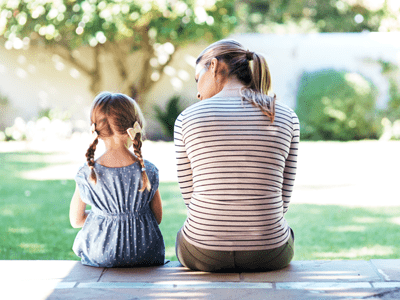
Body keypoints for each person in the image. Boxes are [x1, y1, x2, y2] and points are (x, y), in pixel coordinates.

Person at [174, 39, 300, 272]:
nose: (198, 92)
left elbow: (190, 199)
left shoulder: (187, 118)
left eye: (197, 79)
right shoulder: (285, 116)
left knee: (184, 235)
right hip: (269, 253)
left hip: (202, 252)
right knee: (286, 232)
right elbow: (282, 200)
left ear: (213, 66)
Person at [69, 91, 165, 267]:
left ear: (95, 129)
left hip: (101, 255)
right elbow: (157, 217)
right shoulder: (148, 170)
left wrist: (104, 216)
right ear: (135, 126)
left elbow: (76, 221)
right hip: (145, 253)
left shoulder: (87, 173)